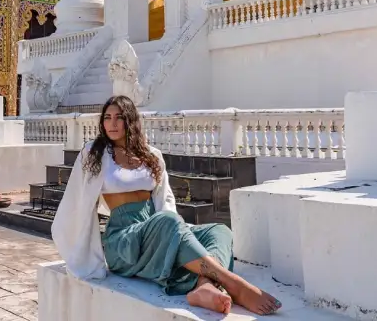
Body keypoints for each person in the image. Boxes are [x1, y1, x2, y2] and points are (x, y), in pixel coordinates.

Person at [52, 95, 281, 316]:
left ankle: (204, 285)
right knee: (167, 222)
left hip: (157, 227)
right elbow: (75, 202)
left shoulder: (152, 156)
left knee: (219, 231)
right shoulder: (94, 154)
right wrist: (81, 252)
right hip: (123, 241)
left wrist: (178, 232)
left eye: (119, 117)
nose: (112, 123)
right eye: (107, 117)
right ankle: (232, 282)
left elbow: (166, 202)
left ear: (130, 120)